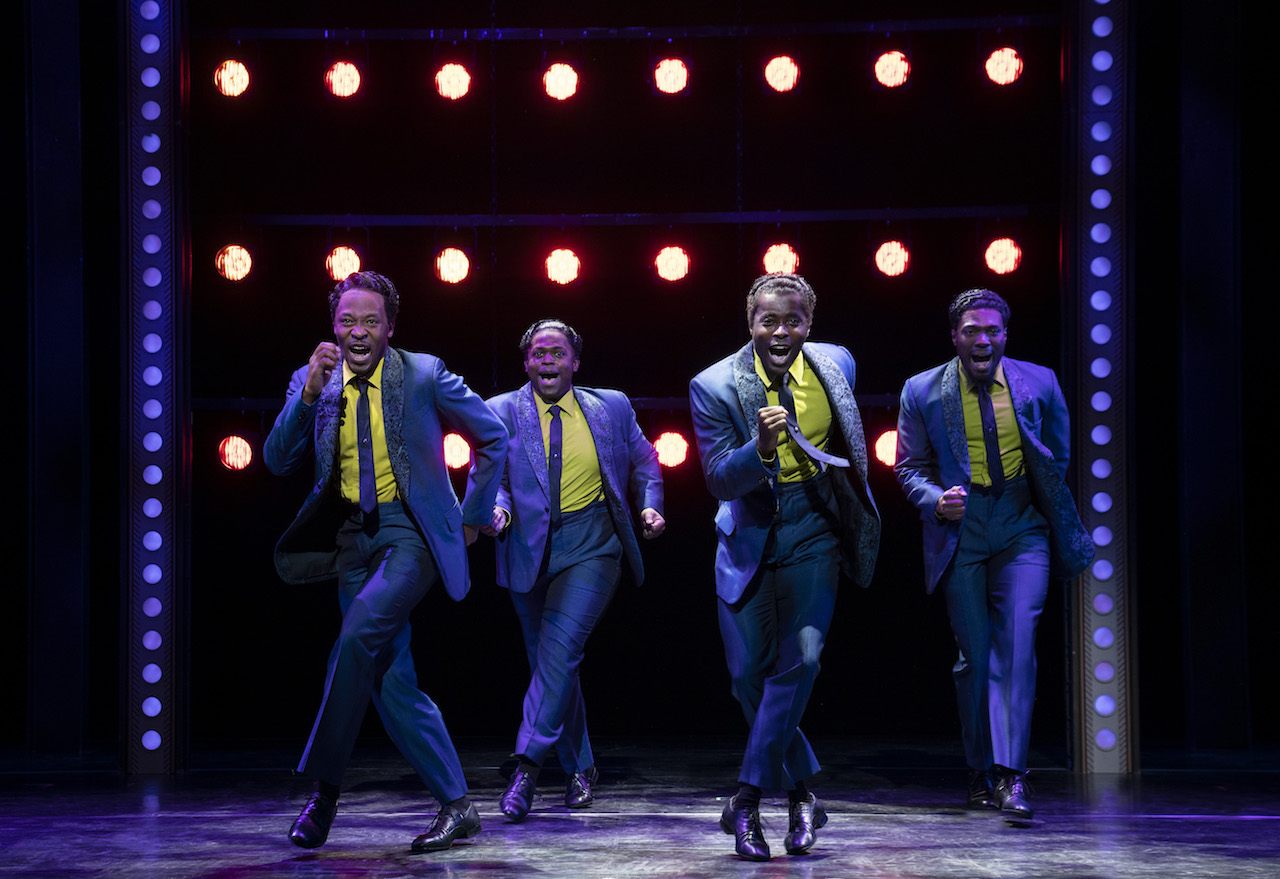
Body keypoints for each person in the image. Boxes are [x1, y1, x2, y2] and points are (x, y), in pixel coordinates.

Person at [263, 270, 508, 852]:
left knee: (354, 642)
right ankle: (457, 806)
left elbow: (493, 435)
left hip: (411, 534)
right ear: (333, 326)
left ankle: (322, 794)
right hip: (352, 539)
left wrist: (473, 518)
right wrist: (306, 396)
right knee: (389, 675)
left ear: (390, 327)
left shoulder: (423, 372)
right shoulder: (315, 379)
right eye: (347, 320)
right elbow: (277, 461)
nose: (357, 330)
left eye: (370, 320)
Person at [688, 273, 880, 861]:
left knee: (803, 660)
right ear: (750, 322)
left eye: (792, 320)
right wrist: (761, 450)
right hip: (749, 531)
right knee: (748, 676)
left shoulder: (836, 364)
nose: (780, 331)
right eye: (768, 320)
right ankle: (801, 793)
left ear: (808, 324)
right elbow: (719, 478)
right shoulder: (714, 384)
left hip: (814, 526)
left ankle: (746, 801)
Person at [894, 288, 1094, 823]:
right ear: (954, 336)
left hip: (1021, 526)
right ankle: (980, 770)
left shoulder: (1041, 382)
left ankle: (1011, 775)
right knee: (976, 659)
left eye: (992, 330)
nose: (982, 339)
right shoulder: (923, 390)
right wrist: (937, 500)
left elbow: (1059, 455)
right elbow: (908, 467)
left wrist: (1033, 504)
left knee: (1017, 645)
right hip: (961, 533)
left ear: (1005, 334)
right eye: (971, 330)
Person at [468, 318, 665, 821]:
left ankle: (527, 770)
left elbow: (645, 460)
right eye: (538, 353)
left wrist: (650, 503)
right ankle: (580, 767)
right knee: (552, 664)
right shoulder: (500, 412)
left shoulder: (611, 406)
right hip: (526, 550)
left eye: (557, 353)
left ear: (575, 362)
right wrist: (497, 509)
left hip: (593, 544)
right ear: (526, 362)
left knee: (560, 650)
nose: (547, 361)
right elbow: (494, 479)